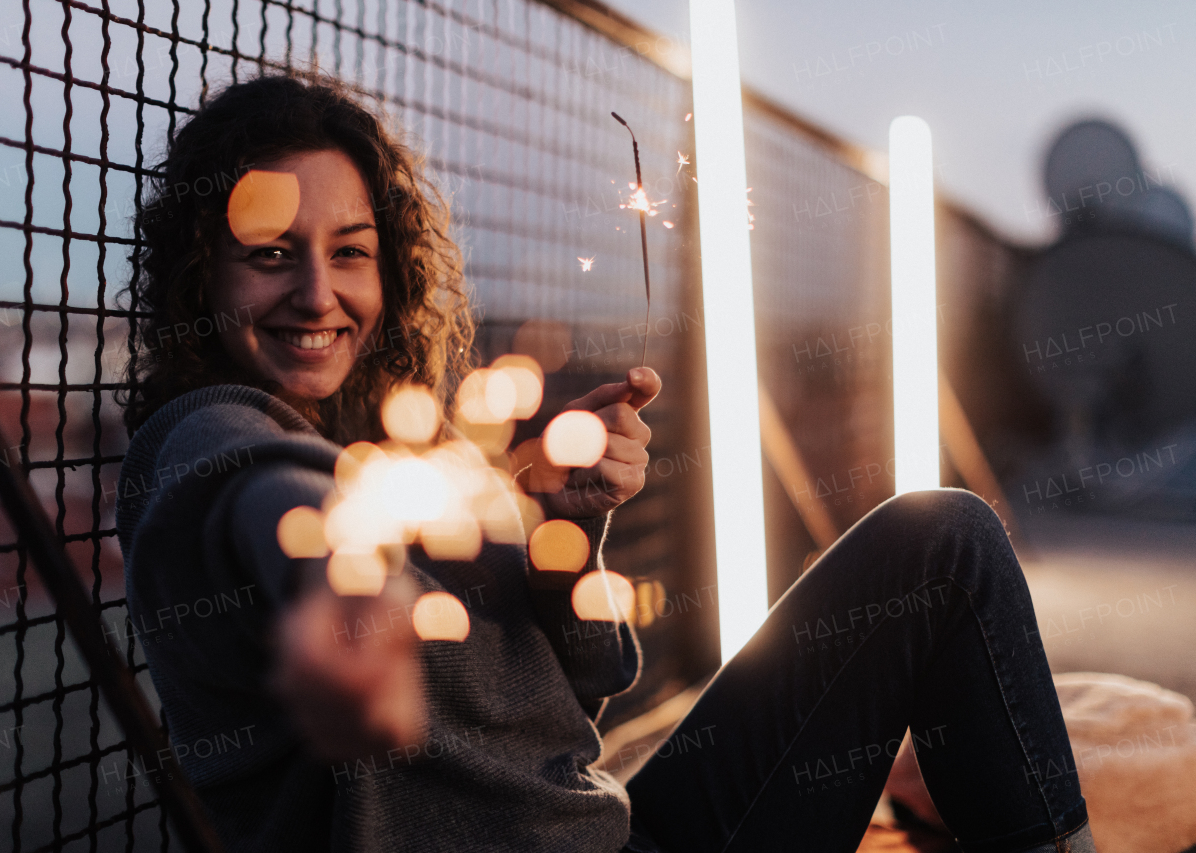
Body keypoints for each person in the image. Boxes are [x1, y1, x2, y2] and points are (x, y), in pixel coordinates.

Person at [116, 74, 1096, 853]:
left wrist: (561, 526)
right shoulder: (204, 435)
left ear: (391, 266)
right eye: (271, 254)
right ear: (204, 268)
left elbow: (574, 699)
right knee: (949, 543)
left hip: (610, 826)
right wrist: (334, 585)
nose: (317, 291)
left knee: (938, 535)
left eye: (350, 251)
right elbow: (275, 502)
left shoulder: (400, 443)